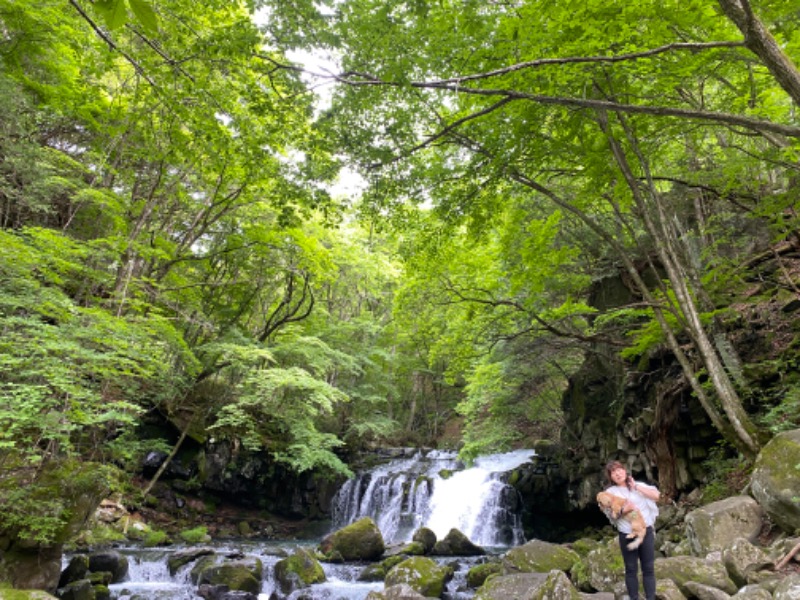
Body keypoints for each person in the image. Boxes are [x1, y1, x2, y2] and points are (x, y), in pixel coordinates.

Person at [603, 461, 660, 600]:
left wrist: (637, 487)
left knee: (648, 568)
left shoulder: (638, 485)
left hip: (645, 530)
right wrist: (624, 510)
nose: (617, 474)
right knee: (631, 569)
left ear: (625, 470)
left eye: (619, 470)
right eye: (613, 472)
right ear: (610, 477)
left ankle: (650, 598)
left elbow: (656, 496)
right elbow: (610, 515)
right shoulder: (610, 493)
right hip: (627, 534)